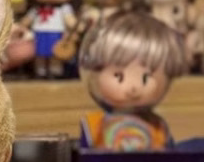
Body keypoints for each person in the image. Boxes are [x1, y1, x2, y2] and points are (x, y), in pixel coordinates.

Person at [79, 12, 187, 151]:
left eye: (145, 78)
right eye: (119, 76)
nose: (133, 88)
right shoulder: (93, 126)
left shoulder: (158, 126)